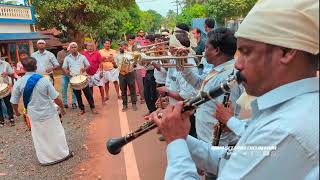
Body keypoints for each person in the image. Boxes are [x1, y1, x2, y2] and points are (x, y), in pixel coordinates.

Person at [150, 0, 319, 179]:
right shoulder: (284, 112)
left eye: (246, 52)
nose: (237, 64)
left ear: (286, 51)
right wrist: (181, 137)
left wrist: (176, 144)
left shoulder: (283, 130)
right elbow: (231, 159)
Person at [10, 57, 72, 166]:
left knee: (40, 137)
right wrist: (62, 108)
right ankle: (63, 154)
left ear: (23, 68)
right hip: (49, 113)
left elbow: (14, 102)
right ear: (36, 66)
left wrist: (17, 112)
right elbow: (56, 98)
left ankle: (45, 160)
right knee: (56, 133)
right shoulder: (44, 80)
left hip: (34, 115)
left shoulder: (19, 83)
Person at [62, 42, 98, 115]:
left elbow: (88, 65)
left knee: (88, 94)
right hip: (74, 79)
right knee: (78, 96)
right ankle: (82, 109)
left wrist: (84, 69)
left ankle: (93, 108)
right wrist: (67, 72)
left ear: (77, 48)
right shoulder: (67, 58)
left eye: (75, 47)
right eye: (72, 47)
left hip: (83, 77)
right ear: (70, 49)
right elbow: (64, 67)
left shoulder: (82, 57)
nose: (73, 48)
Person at [116, 41, 137, 111]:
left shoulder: (130, 54)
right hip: (121, 74)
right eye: (120, 46)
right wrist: (113, 63)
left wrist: (134, 63)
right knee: (123, 90)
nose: (120, 47)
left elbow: (134, 64)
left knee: (132, 89)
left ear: (126, 46)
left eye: (121, 46)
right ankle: (124, 105)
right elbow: (115, 66)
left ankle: (134, 104)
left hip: (130, 73)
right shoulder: (117, 55)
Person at [57, 41, 77, 109]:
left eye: (66, 45)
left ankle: (74, 102)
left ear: (69, 45)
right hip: (63, 74)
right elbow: (58, 63)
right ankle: (65, 103)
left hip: (72, 74)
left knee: (74, 89)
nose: (65, 46)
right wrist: (65, 59)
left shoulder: (72, 52)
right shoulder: (59, 53)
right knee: (63, 89)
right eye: (63, 44)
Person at [128, 34, 145, 104]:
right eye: (128, 40)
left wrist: (134, 63)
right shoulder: (129, 46)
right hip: (131, 67)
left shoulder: (137, 45)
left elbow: (137, 56)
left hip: (137, 66)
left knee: (140, 83)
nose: (129, 42)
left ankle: (143, 98)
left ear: (133, 40)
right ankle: (133, 98)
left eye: (130, 40)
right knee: (131, 83)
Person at [0, 59, 15, 127]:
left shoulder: (6, 64)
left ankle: (11, 118)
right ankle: (1, 120)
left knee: (8, 103)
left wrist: (7, 73)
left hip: (5, 87)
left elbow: (12, 74)